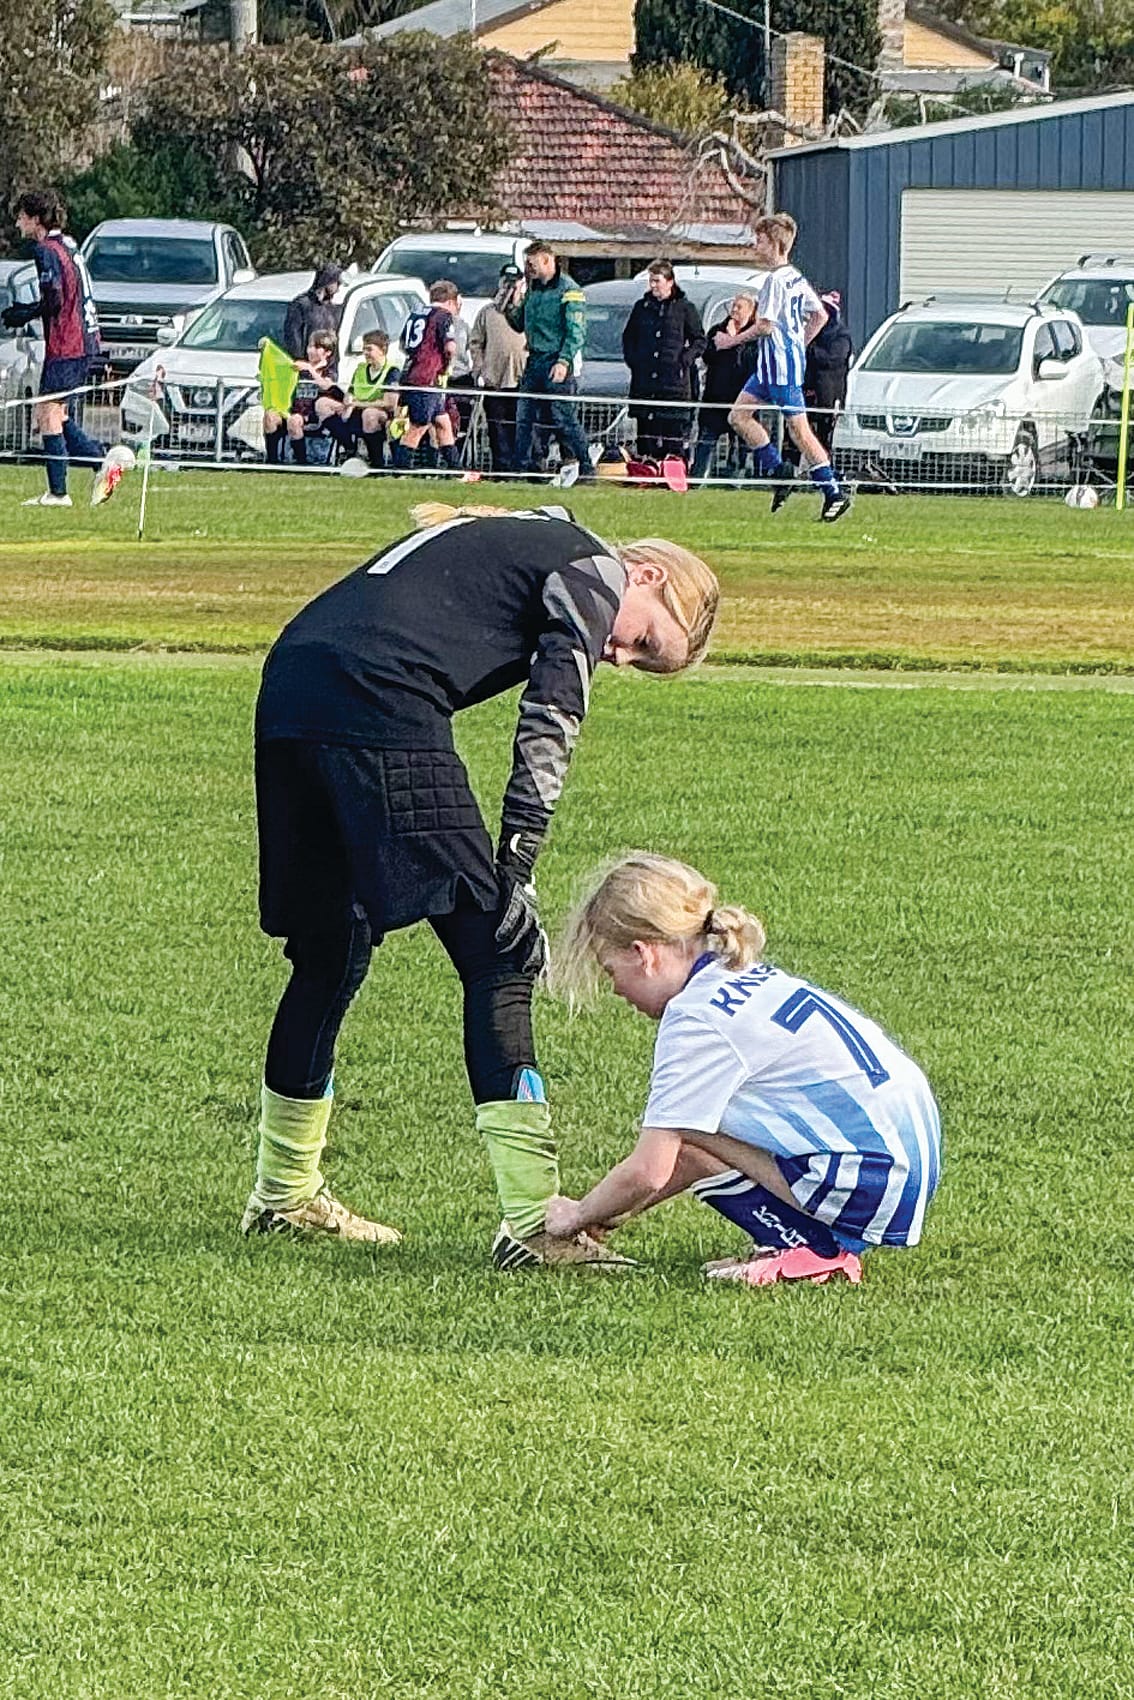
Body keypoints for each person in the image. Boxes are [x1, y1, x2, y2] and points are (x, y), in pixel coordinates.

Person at [242, 504, 720, 1271]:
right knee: (501, 951)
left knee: (332, 951)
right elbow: (551, 720)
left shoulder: (539, 530)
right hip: (378, 696)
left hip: (293, 684)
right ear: (649, 576)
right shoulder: (593, 570)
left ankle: (283, 1194)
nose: (621, 657)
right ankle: (537, 1224)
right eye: (643, 641)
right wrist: (518, 864)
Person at [547, 854, 941, 1286]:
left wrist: (576, 1214)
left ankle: (817, 1250)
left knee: (686, 1127)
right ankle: (810, 1236)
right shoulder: (736, 976)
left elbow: (649, 1170)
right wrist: (611, 1214)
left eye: (610, 971)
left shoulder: (694, 1020)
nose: (617, 989)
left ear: (644, 955)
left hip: (871, 1180)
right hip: (897, 1163)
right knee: (692, 1126)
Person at [2, 189, 133, 509]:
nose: (18, 223)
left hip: (67, 343)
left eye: (21, 217)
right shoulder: (70, 245)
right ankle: (103, 463)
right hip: (85, 339)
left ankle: (59, 492)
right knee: (56, 413)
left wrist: (27, 311)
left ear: (35, 220)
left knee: (47, 412)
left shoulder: (46, 250)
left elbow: (56, 298)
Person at [722, 213, 852, 523]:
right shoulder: (796, 277)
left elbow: (765, 326)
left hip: (781, 369)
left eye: (761, 241)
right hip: (770, 368)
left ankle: (834, 492)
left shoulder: (776, 281)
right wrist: (800, 343)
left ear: (776, 244)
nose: (756, 246)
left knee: (800, 431)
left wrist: (734, 340)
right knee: (738, 416)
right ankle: (778, 468)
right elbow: (818, 315)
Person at [507, 241, 593, 482]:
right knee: (525, 419)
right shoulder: (534, 290)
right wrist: (508, 304)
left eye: (531, 263)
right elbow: (519, 324)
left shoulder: (569, 290)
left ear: (546, 260)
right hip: (534, 361)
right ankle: (522, 470)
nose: (528, 268)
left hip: (555, 361)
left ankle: (585, 465)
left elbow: (576, 331)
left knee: (562, 417)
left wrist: (564, 361)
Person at [621, 261, 706, 465]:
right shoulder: (642, 308)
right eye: (651, 281)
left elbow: (699, 340)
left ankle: (674, 474)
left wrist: (684, 360)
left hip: (674, 385)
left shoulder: (685, 309)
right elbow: (629, 337)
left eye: (657, 281)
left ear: (670, 282)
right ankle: (647, 472)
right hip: (645, 383)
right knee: (646, 438)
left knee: (672, 438)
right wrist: (635, 361)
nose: (653, 286)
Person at [391, 281, 461, 473]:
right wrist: (446, 367)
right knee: (418, 426)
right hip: (427, 378)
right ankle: (400, 471)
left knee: (443, 423)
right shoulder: (443, 316)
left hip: (411, 372)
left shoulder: (416, 313)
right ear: (451, 301)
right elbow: (450, 347)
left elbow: (403, 344)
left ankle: (456, 471)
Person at [689, 291, 759, 482]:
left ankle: (742, 478)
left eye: (740, 307)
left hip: (744, 399)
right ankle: (698, 478)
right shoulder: (716, 331)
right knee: (706, 441)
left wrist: (732, 343)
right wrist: (724, 341)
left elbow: (753, 363)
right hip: (716, 397)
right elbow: (707, 356)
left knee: (744, 444)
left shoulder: (756, 337)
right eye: (733, 306)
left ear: (751, 311)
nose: (734, 310)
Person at [469, 263, 528, 473]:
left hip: (522, 379)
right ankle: (501, 469)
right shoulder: (487, 312)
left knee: (521, 426)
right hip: (495, 381)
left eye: (515, 281)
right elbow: (475, 342)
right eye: (506, 281)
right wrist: (480, 369)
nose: (510, 286)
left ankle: (520, 469)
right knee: (497, 427)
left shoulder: (528, 309)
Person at [261, 331, 345, 466]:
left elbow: (325, 385)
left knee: (294, 421)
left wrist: (310, 369)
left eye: (317, 348)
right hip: (291, 410)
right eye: (310, 347)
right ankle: (272, 460)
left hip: (312, 415)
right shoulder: (298, 368)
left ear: (327, 353)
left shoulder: (329, 370)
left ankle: (301, 462)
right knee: (270, 416)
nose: (311, 351)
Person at [339, 328, 401, 469]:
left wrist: (357, 403)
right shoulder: (360, 369)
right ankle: (349, 452)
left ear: (382, 349)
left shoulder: (392, 371)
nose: (365, 353)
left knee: (370, 415)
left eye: (369, 349)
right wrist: (347, 403)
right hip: (357, 410)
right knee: (328, 409)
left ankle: (376, 463)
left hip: (381, 414)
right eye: (364, 349)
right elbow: (351, 392)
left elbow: (389, 403)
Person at [283, 264, 342, 361]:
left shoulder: (332, 307)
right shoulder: (302, 305)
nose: (338, 287)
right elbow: (293, 335)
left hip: (326, 365)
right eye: (336, 283)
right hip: (306, 365)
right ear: (327, 282)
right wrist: (300, 360)